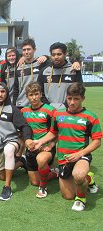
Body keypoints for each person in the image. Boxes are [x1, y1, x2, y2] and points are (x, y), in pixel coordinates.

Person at [33, 83, 101, 211]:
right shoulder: (58, 115)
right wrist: (40, 142)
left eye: (76, 99)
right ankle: (89, 178)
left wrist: (80, 154)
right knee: (68, 196)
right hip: (64, 158)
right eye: (69, 98)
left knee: (78, 175)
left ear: (82, 99)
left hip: (81, 156)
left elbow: (97, 141)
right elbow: (53, 132)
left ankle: (81, 199)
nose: (72, 102)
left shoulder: (91, 117)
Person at [0, 82, 33, 200]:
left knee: (8, 150)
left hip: (11, 140)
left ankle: (7, 187)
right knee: (2, 175)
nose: (0, 94)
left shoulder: (13, 109)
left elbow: (24, 126)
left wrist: (27, 139)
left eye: (3, 92)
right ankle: (22, 161)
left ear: (7, 93)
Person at [21, 82, 57, 198]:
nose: (34, 97)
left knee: (41, 160)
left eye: (36, 94)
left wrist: (51, 145)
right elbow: (22, 131)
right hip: (31, 148)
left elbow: (57, 131)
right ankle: (53, 173)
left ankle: (43, 188)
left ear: (41, 94)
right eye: (31, 95)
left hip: (45, 148)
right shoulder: (24, 111)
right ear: (27, 96)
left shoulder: (50, 110)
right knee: (34, 182)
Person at [37, 42, 83, 110]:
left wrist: (65, 106)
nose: (56, 57)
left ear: (65, 54)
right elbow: (40, 92)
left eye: (59, 54)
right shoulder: (44, 71)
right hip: (48, 110)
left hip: (68, 111)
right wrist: (48, 106)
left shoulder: (73, 71)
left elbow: (79, 91)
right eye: (53, 54)